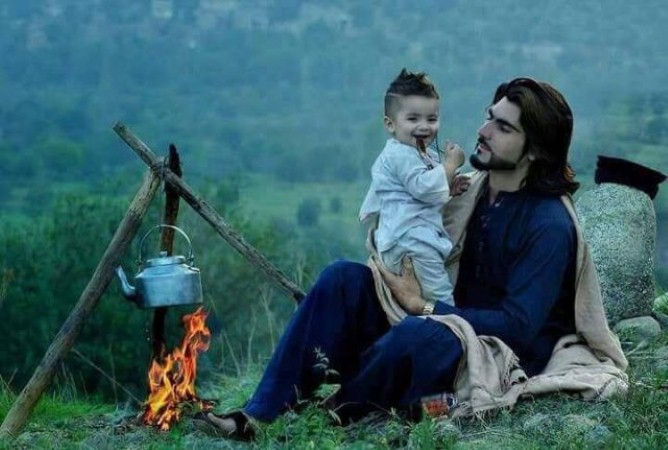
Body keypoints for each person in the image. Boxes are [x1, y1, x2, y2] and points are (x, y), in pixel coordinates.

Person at [193, 77, 627, 440]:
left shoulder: (548, 224)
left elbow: (517, 326)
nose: (483, 131)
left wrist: (425, 307)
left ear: (534, 150)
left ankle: (334, 413)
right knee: (342, 279)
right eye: (489, 117)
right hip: (438, 323)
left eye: (503, 128)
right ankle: (260, 414)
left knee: (421, 336)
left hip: (493, 353)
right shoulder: (474, 190)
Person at [359, 68, 465, 306]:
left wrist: (449, 188)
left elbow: (419, 197)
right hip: (412, 241)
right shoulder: (401, 154)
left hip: (405, 239)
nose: (424, 126)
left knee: (418, 298)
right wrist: (450, 165)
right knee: (442, 299)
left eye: (431, 119)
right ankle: (452, 327)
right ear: (390, 124)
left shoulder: (418, 153)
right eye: (413, 119)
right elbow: (423, 188)